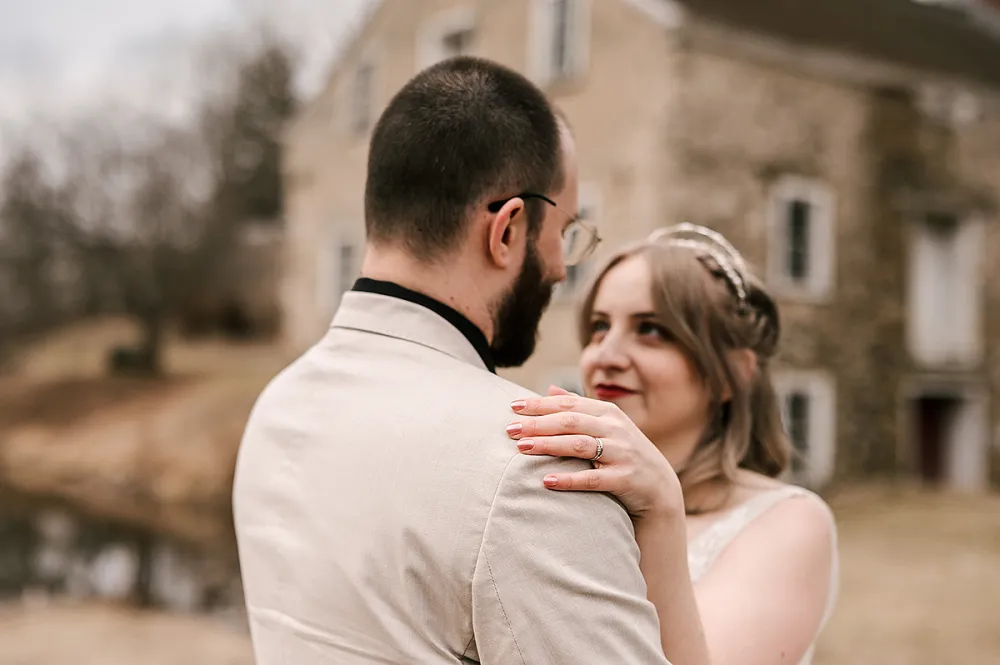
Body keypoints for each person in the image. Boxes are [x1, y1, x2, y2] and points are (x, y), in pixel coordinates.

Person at [231, 57, 673, 664]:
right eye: (563, 232)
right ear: (508, 230)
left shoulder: (277, 407)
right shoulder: (532, 467)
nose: (561, 267)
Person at [504, 224, 839, 665]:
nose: (606, 355)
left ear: (732, 372)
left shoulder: (791, 522)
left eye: (652, 331)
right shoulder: (565, 497)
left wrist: (663, 505)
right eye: (600, 327)